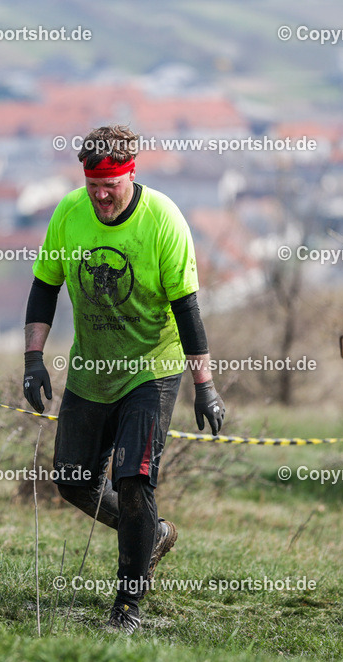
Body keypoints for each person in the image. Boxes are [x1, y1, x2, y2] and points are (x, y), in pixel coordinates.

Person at [22, 124, 226, 634]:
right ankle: (149, 535)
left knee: (133, 482)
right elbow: (44, 288)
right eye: (93, 185)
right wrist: (32, 358)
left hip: (151, 369)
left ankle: (128, 606)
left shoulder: (164, 222)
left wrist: (205, 385)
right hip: (92, 367)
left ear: (131, 174)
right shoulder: (69, 213)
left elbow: (188, 310)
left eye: (110, 185)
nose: (101, 195)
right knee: (70, 481)